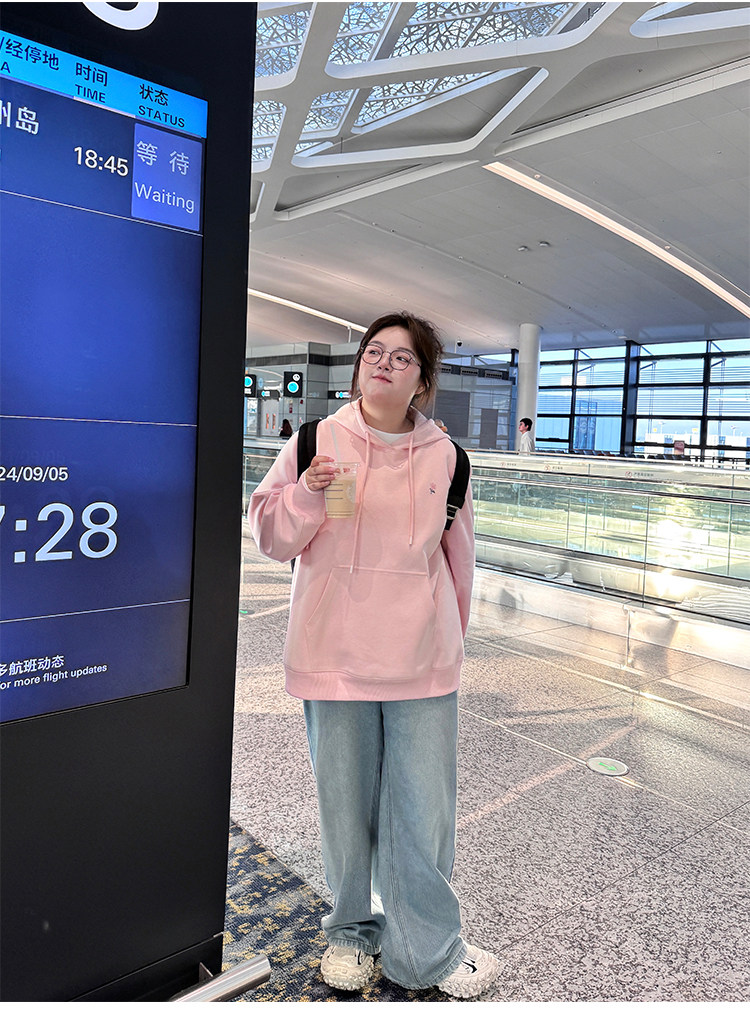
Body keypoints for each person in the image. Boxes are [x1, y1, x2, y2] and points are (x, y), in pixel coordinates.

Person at [248, 311, 499, 998]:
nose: (384, 363)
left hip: (421, 660)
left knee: (423, 811)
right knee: (346, 804)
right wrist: (306, 494)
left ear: (423, 380)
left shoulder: (448, 459)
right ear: (360, 365)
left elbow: (459, 562)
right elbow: (270, 536)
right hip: (334, 653)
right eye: (374, 352)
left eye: (402, 357)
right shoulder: (314, 441)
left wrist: (448, 643)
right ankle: (351, 934)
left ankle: (425, 950)